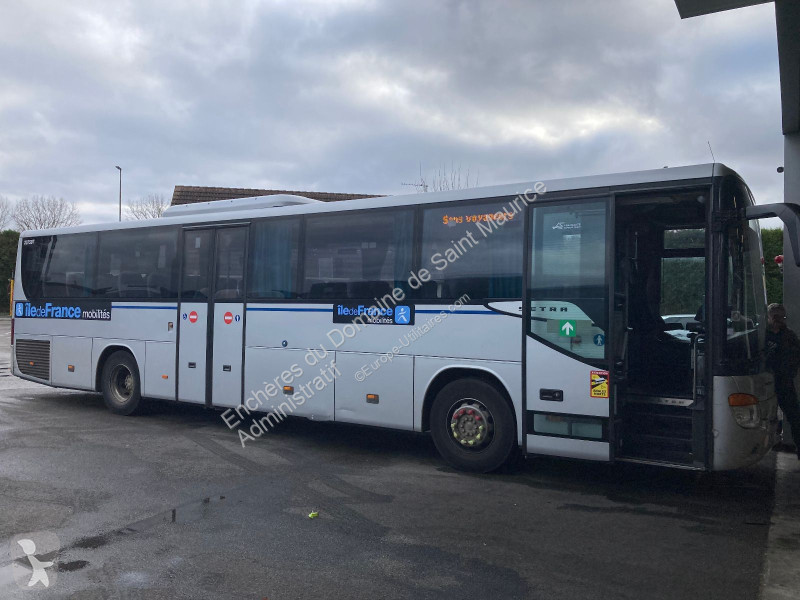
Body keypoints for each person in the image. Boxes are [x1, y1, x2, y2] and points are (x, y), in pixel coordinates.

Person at [765, 303, 800, 458]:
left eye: (781, 316)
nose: (778, 319)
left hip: (783, 382)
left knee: (794, 416)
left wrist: (790, 372)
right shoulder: (764, 336)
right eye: (775, 316)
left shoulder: (789, 336)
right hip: (766, 381)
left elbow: (796, 357)